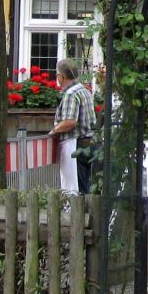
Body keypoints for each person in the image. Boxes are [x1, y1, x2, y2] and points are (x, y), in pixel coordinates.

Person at [52, 59, 96, 195]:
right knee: (86, 184)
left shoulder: (71, 93)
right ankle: (88, 213)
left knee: (75, 189)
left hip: (75, 144)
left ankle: (80, 214)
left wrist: (54, 130)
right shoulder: (84, 90)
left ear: (61, 76)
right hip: (89, 141)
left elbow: (70, 121)